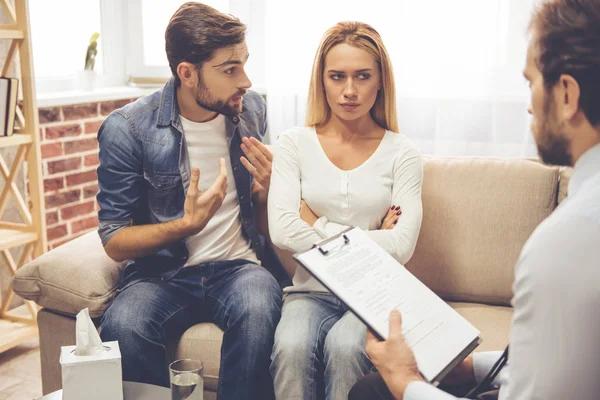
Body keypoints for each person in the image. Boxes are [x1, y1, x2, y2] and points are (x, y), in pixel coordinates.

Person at [349, 0, 600, 399]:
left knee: (375, 391)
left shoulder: (567, 244)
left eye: (531, 82)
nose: (530, 105)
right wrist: (468, 368)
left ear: (567, 93)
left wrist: (405, 381)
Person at [96, 3, 283, 399]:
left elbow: (262, 213)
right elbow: (114, 241)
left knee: (259, 307)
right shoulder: (127, 129)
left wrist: (266, 192)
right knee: (123, 324)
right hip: (162, 275)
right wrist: (185, 225)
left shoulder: (251, 110)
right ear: (186, 72)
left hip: (239, 268)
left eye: (245, 64)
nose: (245, 81)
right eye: (230, 69)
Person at [268, 21, 424, 400]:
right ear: (321, 80)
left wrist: (317, 223)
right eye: (337, 76)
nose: (349, 91)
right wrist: (371, 237)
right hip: (310, 291)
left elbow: (402, 245)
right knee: (290, 344)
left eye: (362, 76)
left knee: (345, 345)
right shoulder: (292, 144)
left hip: (376, 292)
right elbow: (283, 230)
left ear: (380, 81)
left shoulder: (403, 153)